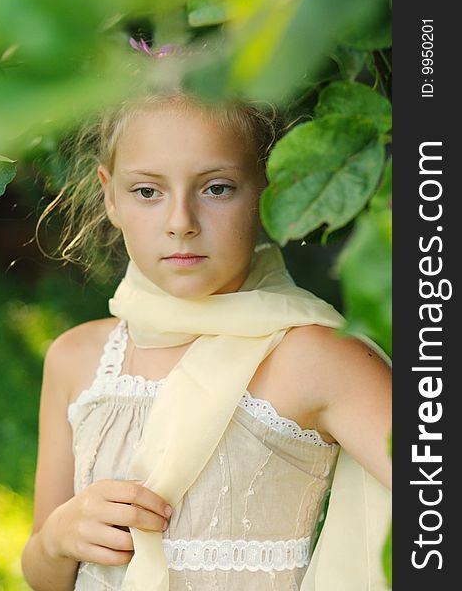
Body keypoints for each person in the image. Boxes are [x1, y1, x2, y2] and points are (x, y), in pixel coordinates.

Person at [21, 89, 391, 591]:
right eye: (148, 191)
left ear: (267, 189)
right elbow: (44, 577)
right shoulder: (77, 360)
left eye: (217, 188)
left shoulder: (313, 357)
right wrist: (56, 539)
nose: (181, 223)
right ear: (110, 195)